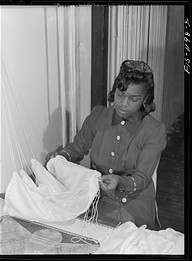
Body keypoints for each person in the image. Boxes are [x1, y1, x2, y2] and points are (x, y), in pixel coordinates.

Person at [45, 60, 167, 230]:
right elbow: (77, 148)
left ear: (145, 98)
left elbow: (141, 179)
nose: (124, 104)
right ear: (114, 91)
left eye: (134, 99)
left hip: (133, 204)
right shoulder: (98, 116)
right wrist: (60, 157)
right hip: (98, 199)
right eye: (120, 95)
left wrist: (119, 181)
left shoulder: (154, 130)